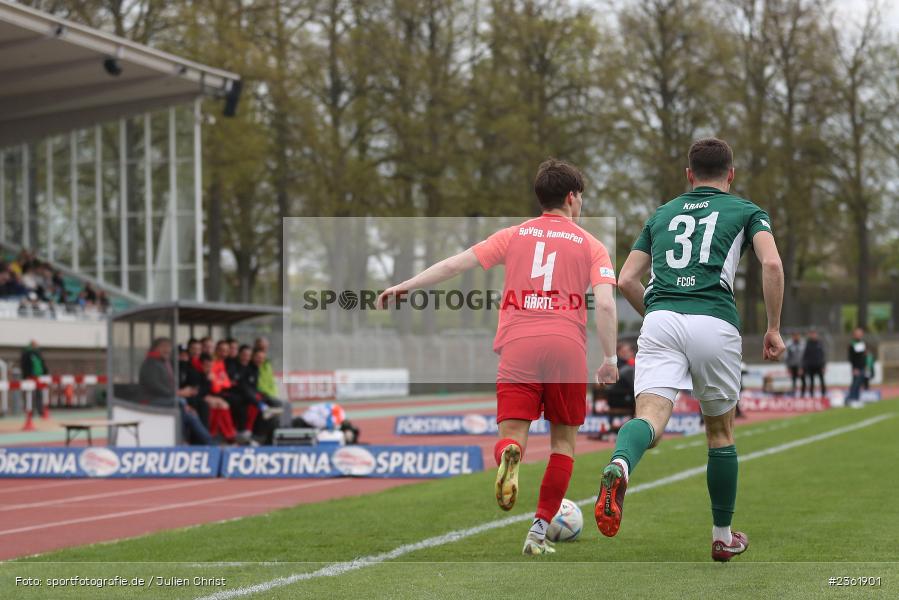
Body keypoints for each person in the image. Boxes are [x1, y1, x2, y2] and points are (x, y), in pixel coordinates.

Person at [377, 158, 619, 556]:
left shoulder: (513, 235)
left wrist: (407, 285)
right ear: (572, 198)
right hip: (565, 346)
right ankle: (538, 532)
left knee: (513, 435)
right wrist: (609, 358)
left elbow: (456, 263)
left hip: (517, 342)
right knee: (563, 444)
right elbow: (606, 304)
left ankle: (511, 456)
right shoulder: (593, 245)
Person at [611, 138, 785, 562]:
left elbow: (626, 280)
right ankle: (722, 536)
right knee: (720, 432)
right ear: (732, 173)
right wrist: (773, 328)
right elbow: (773, 264)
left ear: (689, 174)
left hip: (662, 319)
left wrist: (656, 311)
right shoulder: (747, 211)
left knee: (649, 420)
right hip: (714, 319)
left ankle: (619, 465)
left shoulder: (663, 213)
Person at [138, 338, 211, 445]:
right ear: (155, 348)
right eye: (163, 346)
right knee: (181, 403)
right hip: (150, 400)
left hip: (166, 399)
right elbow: (155, 387)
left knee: (190, 412)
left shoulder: (164, 363)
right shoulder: (150, 363)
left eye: (168, 347)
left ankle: (208, 442)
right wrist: (178, 393)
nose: (167, 349)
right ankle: (182, 440)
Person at [20, 340, 49, 416]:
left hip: (39, 377)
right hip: (30, 377)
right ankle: (30, 411)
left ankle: (40, 411)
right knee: (30, 394)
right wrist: (26, 376)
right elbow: (24, 365)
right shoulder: (26, 353)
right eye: (35, 345)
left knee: (39, 394)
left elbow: (42, 364)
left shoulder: (38, 353)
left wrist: (45, 373)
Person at [801, 330, 826, 397]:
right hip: (810, 366)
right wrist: (804, 366)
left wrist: (823, 365)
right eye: (812, 334)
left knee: (822, 380)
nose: (813, 336)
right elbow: (805, 356)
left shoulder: (820, 343)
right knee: (811, 381)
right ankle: (811, 395)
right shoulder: (807, 344)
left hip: (819, 365)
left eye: (814, 334)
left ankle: (823, 394)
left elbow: (822, 355)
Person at [847, 327, 867, 403]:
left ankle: (857, 398)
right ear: (854, 335)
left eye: (861, 333)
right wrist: (854, 368)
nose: (860, 335)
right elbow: (852, 357)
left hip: (862, 367)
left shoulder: (862, 343)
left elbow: (863, 355)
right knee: (855, 383)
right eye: (858, 333)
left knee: (859, 384)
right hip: (856, 367)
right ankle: (852, 399)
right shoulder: (852, 344)